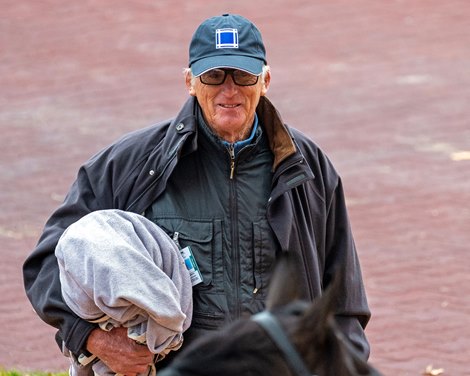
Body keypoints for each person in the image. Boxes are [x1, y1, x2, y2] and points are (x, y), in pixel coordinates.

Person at [23, 13, 371, 375]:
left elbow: (344, 304)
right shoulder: (132, 164)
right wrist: (93, 339)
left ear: (265, 80)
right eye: (214, 75)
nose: (229, 90)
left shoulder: (308, 169)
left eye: (243, 75)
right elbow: (47, 263)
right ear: (190, 81)